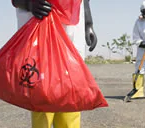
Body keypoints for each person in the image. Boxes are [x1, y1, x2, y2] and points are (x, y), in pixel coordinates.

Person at [11, 0, 97, 128]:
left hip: (71, 36)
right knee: (43, 99)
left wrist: (88, 23)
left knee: (70, 98)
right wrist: (29, 3)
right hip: (41, 34)